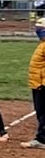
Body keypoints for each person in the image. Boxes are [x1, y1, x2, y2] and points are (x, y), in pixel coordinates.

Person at [27, 18, 45, 150]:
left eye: (41, 30)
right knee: (40, 111)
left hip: (41, 84)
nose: (38, 32)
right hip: (37, 83)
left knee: (42, 112)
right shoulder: (42, 44)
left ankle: (42, 139)